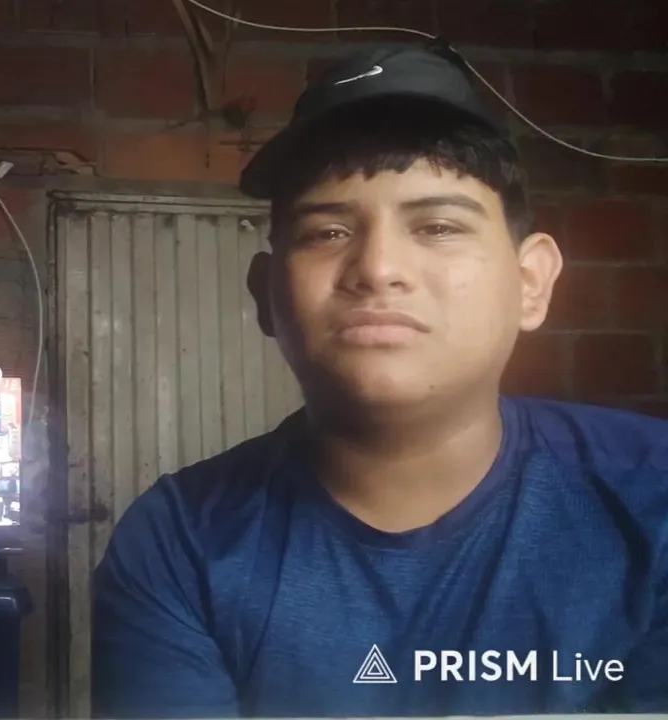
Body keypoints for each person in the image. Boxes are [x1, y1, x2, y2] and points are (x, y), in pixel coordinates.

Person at [91, 45, 667, 718]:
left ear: (531, 282)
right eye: (328, 232)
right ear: (265, 295)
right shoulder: (179, 542)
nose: (378, 268)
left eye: (439, 226)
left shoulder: (652, 499)